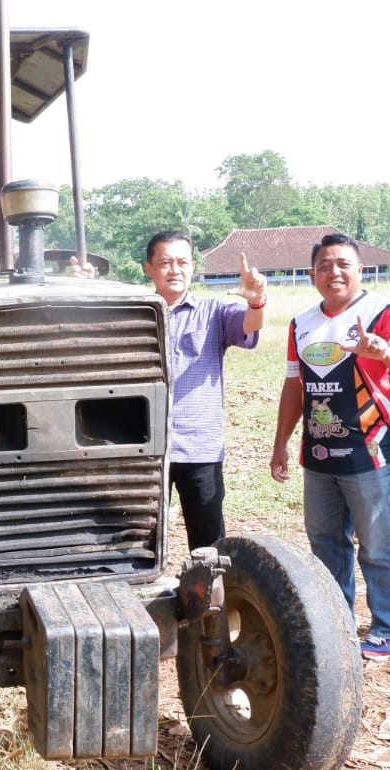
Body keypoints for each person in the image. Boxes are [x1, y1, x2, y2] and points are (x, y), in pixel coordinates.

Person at [270, 233, 390, 660]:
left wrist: (381, 352)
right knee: (325, 541)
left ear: (359, 269)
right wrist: (281, 443)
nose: (333, 272)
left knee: (378, 543)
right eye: (324, 265)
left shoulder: (384, 313)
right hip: (318, 454)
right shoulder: (301, 323)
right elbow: (293, 386)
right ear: (311, 273)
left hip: (371, 451)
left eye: (343, 264)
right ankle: (336, 622)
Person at [144, 230, 266, 550]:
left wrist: (256, 301)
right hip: (145, 447)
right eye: (166, 262)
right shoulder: (135, 315)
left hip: (199, 447)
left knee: (208, 541)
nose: (175, 269)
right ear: (149, 268)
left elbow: (249, 326)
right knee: (142, 536)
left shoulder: (213, 312)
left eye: (183, 262)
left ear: (192, 266)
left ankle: (208, 599)